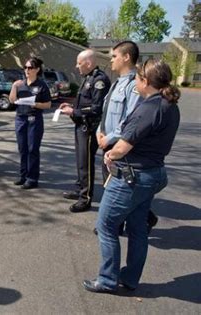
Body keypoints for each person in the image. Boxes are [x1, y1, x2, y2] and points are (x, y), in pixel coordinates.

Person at [83, 59, 180, 293]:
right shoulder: (169, 105)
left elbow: (123, 146)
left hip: (132, 176)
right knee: (137, 228)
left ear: (146, 81)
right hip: (152, 173)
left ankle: (107, 280)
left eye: (138, 78)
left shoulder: (149, 108)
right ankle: (130, 278)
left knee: (106, 225)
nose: (135, 81)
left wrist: (111, 156)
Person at [96, 41, 158, 234]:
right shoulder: (116, 82)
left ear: (126, 57)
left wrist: (110, 137)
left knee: (119, 188)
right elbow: (107, 113)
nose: (111, 60)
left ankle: (113, 224)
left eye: (114, 56)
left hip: (120, 145)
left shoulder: (133, 86)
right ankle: (122, 220)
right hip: (107, 142)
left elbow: (131, 118)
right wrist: (100, 131)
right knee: (109, 184)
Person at [59, 49, 111, 212]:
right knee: (80, 161)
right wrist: (72, 107)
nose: (76, 66)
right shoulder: (88, 77)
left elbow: (96, 108)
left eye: (79, 63)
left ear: (88, 63)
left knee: (85, 163)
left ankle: (85, 198)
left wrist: (73, 112)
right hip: (81, 125)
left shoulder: (99, 80)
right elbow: (84, 103)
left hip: (89, 127)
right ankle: (80, 188)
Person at [9, 57, 52, 189]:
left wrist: (35, 104)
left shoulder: (41, 85)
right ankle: (23, 176)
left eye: (30, 68)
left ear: (37, 69)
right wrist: (14, 87)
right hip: (20, 118)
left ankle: (32, 178)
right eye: (25, 67)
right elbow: (12, 100)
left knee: (32, 149)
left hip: (34, 119)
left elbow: (48, 105)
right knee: (23, 149)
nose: (27, 70)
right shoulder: (20, 84)